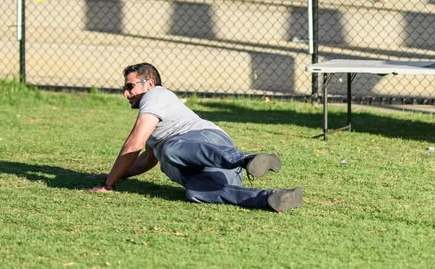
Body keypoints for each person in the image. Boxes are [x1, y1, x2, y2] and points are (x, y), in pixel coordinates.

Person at [90, 62, 303, 213]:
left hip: (208, 141)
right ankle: (271, 198)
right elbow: (147, 159)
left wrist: (109, 184)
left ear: (150, 83)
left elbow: (134, 143)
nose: (126, 93)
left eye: (130, 86)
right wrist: (115, 175)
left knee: (171, 149)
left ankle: (246, 158)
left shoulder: (156, 95)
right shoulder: (156, 123)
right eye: (124, 88)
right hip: (219, 169)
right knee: (195, 193)